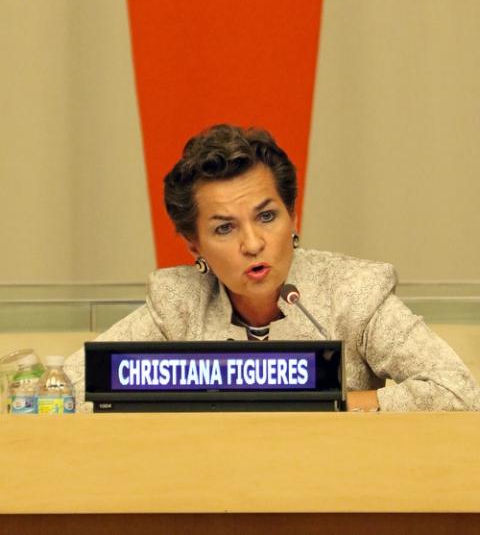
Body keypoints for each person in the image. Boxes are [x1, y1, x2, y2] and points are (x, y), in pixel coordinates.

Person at [65, 124, 480, 412]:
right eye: (225, 228)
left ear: (293, 217)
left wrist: (333, 405)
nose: (253, 243)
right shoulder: (179, 304)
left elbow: (457, 391)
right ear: (195, 245)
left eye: (266, 217)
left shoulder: (354, 293)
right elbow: (66, 390)